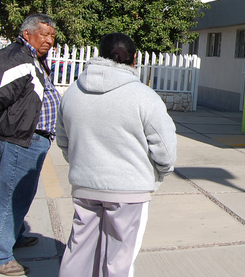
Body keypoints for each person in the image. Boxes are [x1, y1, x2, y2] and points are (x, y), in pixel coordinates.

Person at [56, 33, 177, 277]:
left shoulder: (72, 92)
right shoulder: (144, 96)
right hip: (129, 190)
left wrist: (84, 163)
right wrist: (159, 171)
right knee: (119, 260)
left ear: (99, 55)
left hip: (85, 185)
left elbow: (63, 140)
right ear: (134, 59)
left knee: (78, 251)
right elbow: (165, 150)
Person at [0, 13, 60, 276]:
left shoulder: (33, 58)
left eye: (52, 36)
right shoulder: (16, 59)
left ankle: (12, 236)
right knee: (10, 196)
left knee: (22, 193)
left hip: (30, 138)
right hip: (20, 138)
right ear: (27, 34)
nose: (49, 40)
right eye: (44, 34)